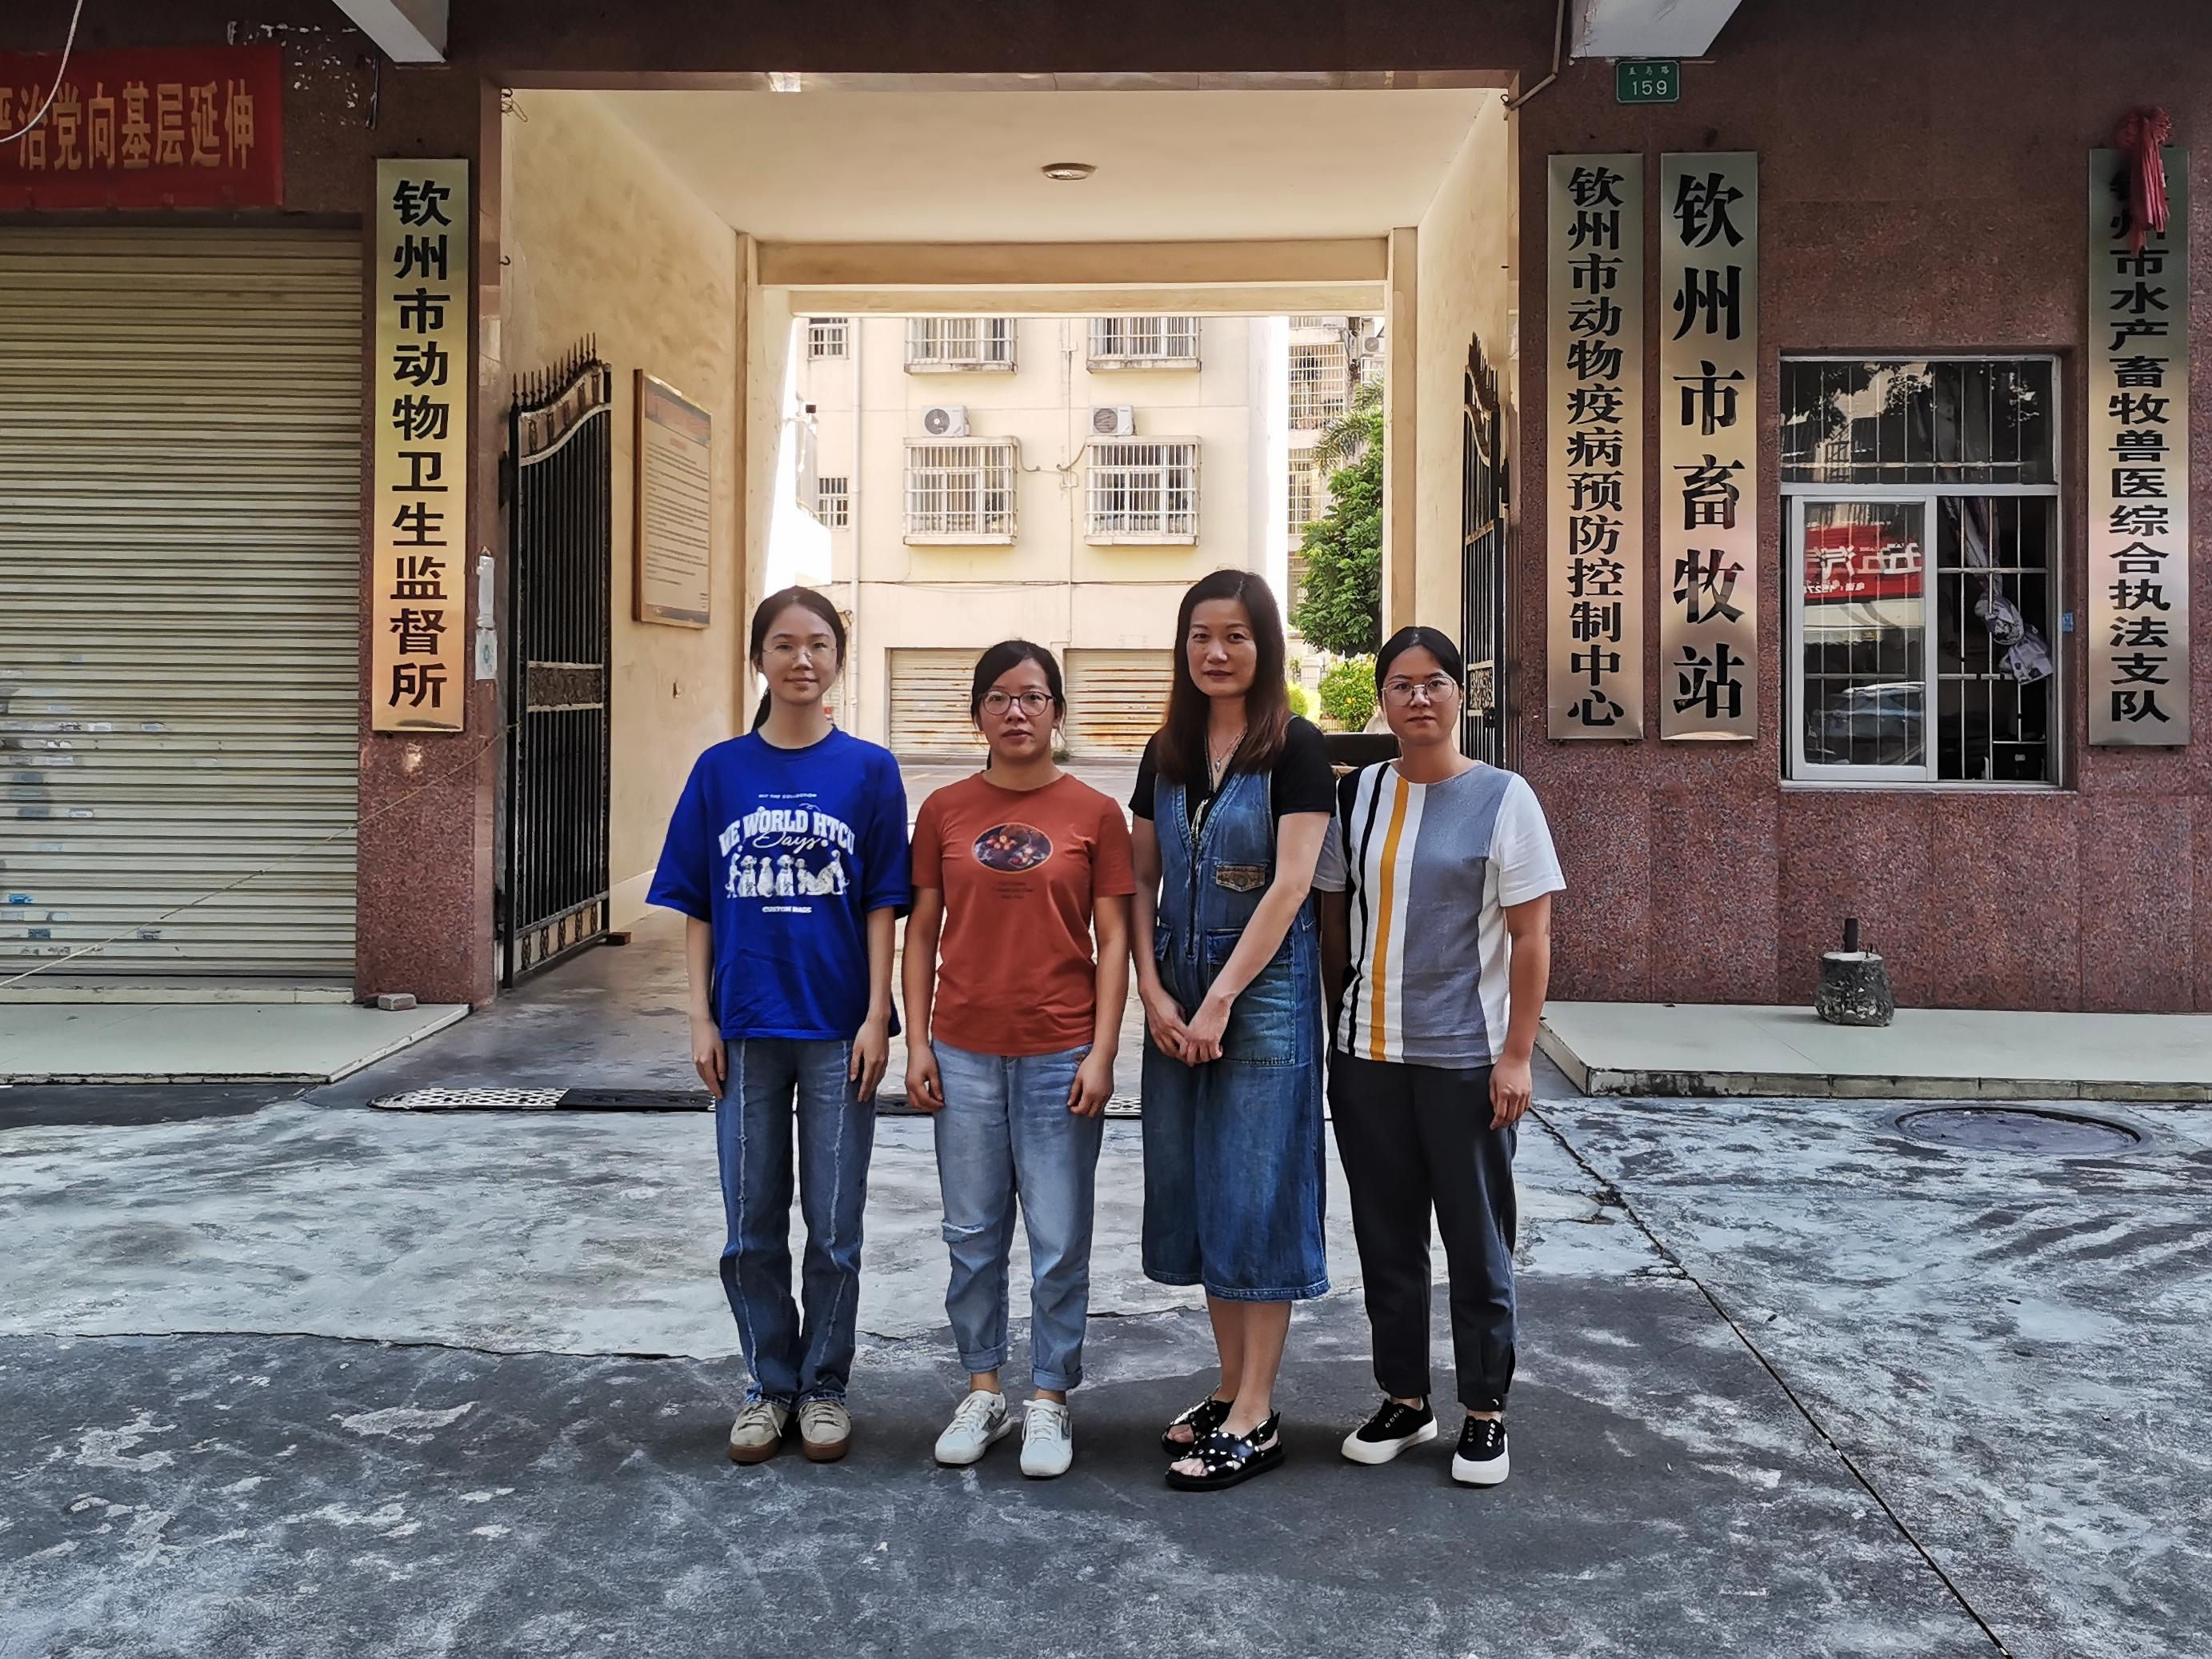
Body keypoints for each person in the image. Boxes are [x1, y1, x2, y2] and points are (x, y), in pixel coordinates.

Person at [647, 587, 910, 1467]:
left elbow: (882, 902)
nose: (803, 659)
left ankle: (824, 1387)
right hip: (747, 1027)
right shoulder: (720, 771)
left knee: (833, 1227)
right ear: (757, 658)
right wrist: (700, 1016)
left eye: (819, 644)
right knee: (750, 1226)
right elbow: (696, 904)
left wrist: (875, 1014)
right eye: (785, 644)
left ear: (838, 658)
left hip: (837, 1029)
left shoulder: (869, 771)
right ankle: (769, 1385)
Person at [1314, 626, 1563, 1487]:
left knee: (1476, 1241)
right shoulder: (1355, 796)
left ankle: (1484, 1411)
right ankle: (1404, 1399)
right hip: (1367, 1056)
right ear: (1380, 700)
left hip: (1466, 1062)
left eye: (1434, 683)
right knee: (1385, 1239)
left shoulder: (1504, 797)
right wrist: (1338, 1020)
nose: (1417, 698)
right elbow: (1332, 916)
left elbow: (1531, 937)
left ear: (1461, 695)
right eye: (1400, 684)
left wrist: (1517, 1056)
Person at [903, 642, 1134, 1479]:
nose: (1016, 711)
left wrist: (1102, 1051)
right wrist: (917, 1040)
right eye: (999, 697)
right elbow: (920, 931)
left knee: (1058, 1236)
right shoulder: (943, 810)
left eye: (1033, 696)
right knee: (970, 1233)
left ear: (1056, 711)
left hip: (1059, 1052)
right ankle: (983, 1389)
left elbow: (1113, 940)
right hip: (962, 1050)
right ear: (977, 715)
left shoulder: (1094, 814)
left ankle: (1049, 1397)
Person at [1130, 569, 1334, 1491]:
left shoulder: (1295, 747)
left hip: (1263, 994)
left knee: (1256, 1188)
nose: (1216, 652)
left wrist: (1217, 999)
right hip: (1174, 986)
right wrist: (1150, 989)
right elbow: (1139, 878)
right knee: (1197, 1186)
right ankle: (1225, 1384)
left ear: (1264, 647)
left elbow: (1290, 886)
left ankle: (1256, 1410)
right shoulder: (1165, 748)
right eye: (1201, 636)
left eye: (1236, 636)